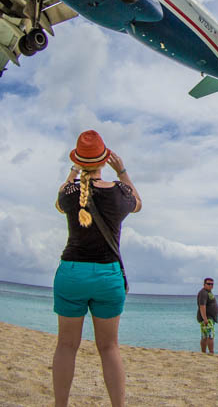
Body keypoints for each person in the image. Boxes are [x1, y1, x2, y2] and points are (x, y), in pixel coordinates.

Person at [53, 130, 141, 407]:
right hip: (107, 276)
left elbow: (57, 202)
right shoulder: (118, 192)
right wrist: (123, 171)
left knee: (66, 345)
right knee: (109, 348)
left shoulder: (69, 193)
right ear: (105, 161)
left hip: (72, 273)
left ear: (79, 162)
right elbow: (138, 205)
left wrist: (72, 173)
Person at [197, 277, 218, 354]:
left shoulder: (208, 292)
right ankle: (211, 352)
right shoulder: (203, 293)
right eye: (208, 284)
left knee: (205, 336)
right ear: (204, 284)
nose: (210, 285)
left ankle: (203, 353)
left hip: (209, 318)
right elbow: (202, 306)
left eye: (212, 284)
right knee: (210, 336)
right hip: (207, 318)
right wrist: (205, 318)